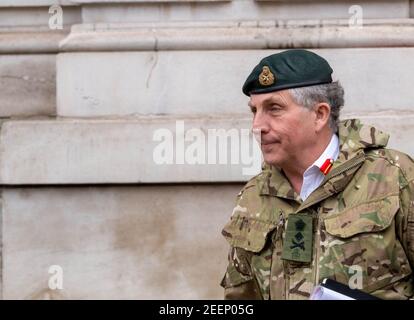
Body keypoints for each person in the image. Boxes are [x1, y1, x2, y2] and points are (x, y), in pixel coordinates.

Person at [220, 49, 414, 300]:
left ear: (320, 114)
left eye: (274, 109)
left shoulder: (394, 177)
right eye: (254, 111)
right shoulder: (253, 196)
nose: (257, 126)